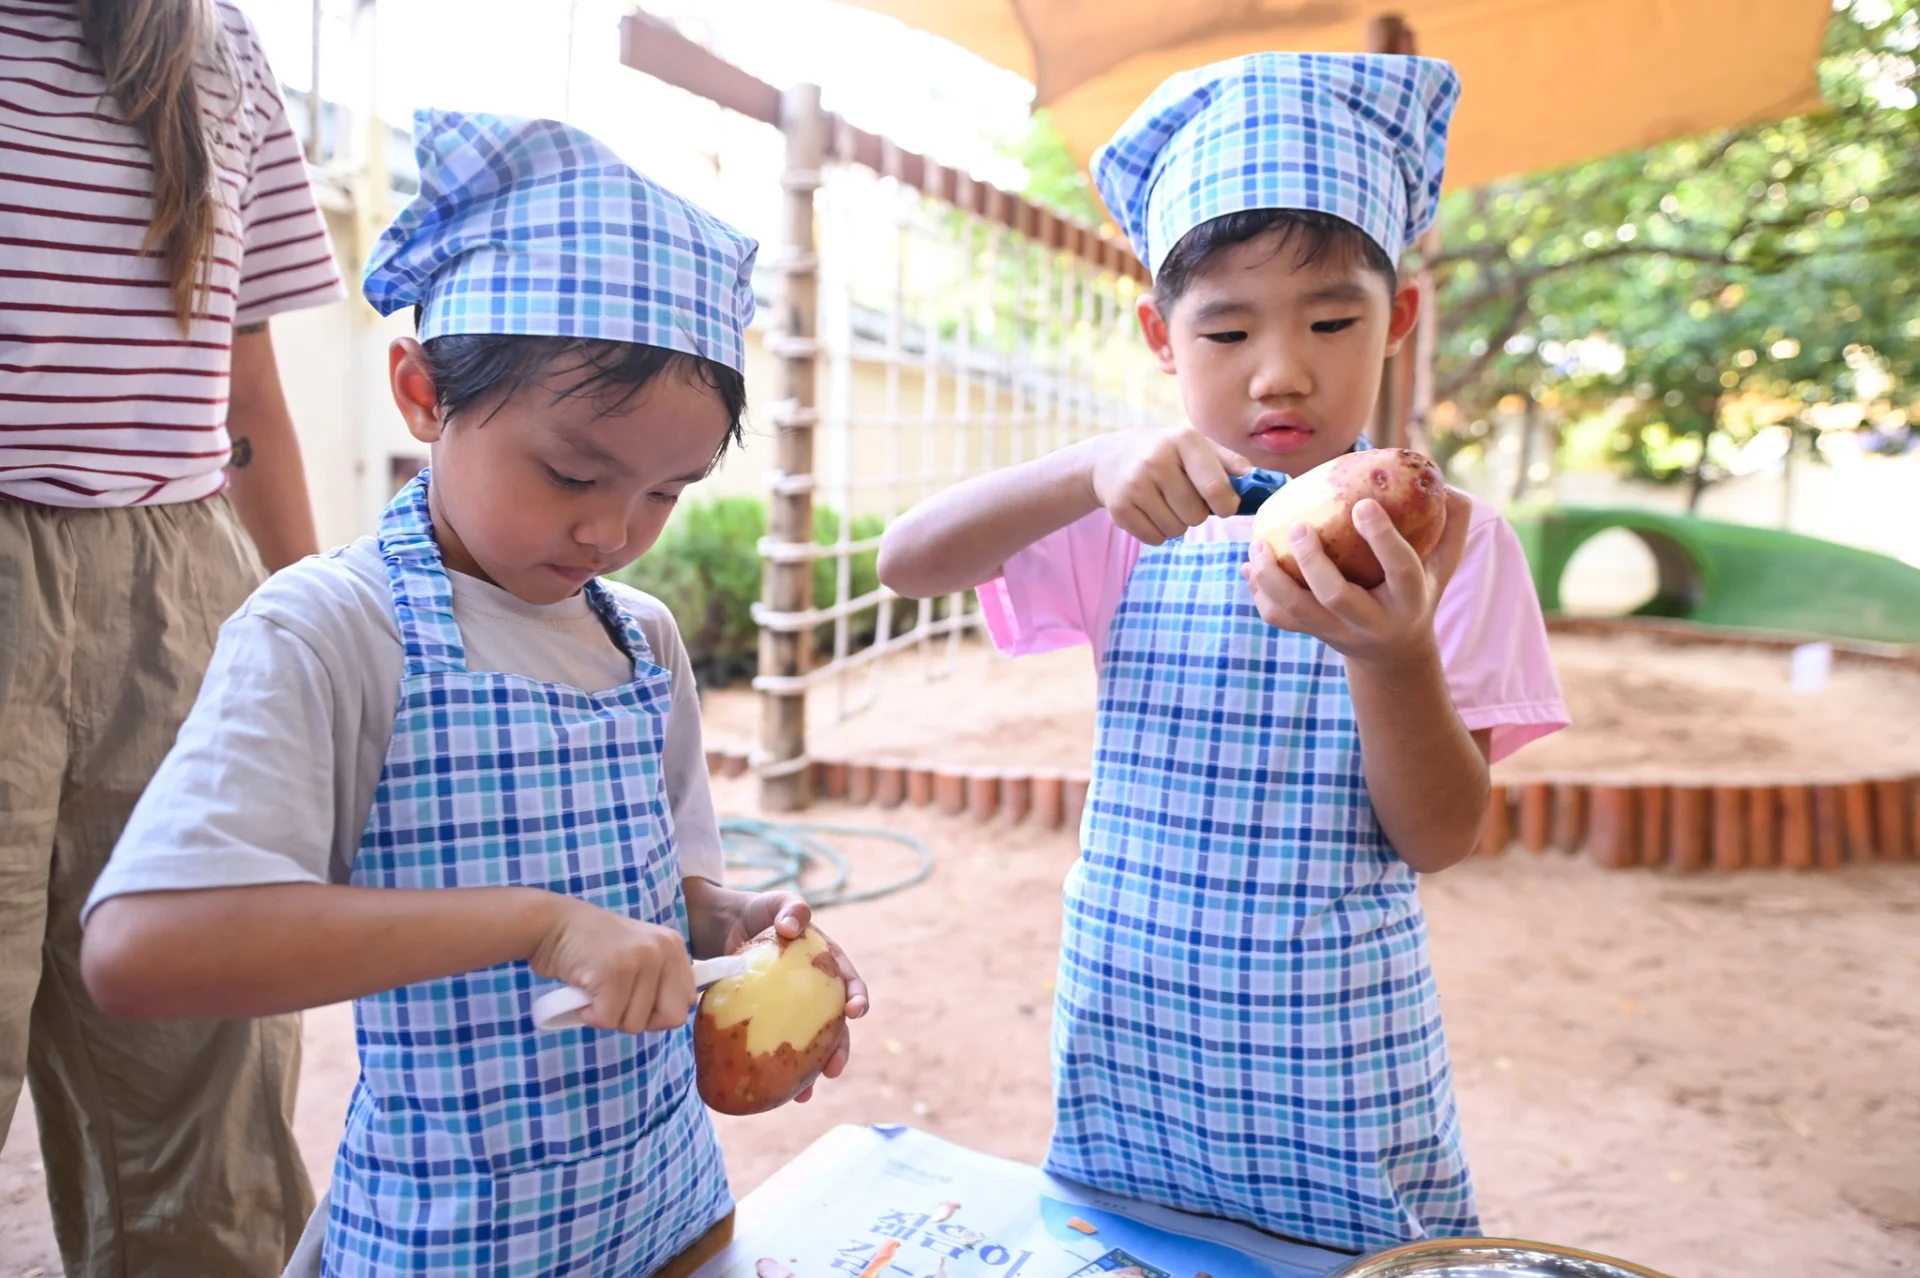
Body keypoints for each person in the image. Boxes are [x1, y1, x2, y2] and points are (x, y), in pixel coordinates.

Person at [79, 109, 868, 1276]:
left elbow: (663, 893)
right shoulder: (332, 630)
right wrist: (535, 925)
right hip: (452, 1240)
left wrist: (731, 935)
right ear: (420, 394)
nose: (612, 530)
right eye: (570, 472)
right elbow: (145, 950)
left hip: (669, 1214)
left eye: (667, 493)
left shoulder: (641, 640)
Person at [877, 53, 1568, 1253]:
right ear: (1159, 333)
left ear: (1397, 318)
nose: (1281, 369)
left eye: (1334, 321)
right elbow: (908, 562)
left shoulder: (1451, 540)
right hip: (1127, 1040)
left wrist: (1393, 656)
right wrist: (1079, 469)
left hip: (1338, 1065)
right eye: (1228, 327)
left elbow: (1442, 837)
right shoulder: (1126, 514)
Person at [1, 0, 343, 1270]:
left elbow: (244, 376)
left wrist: (322, 631)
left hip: (183, 586)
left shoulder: (219, 43)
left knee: (207, 1101)